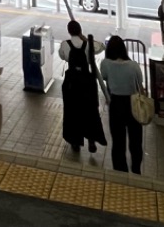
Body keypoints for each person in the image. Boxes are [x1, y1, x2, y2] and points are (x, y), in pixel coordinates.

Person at [58, 20, 106, 154]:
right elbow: (101, 47)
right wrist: (85, 38)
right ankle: (91, 139)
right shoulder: (87, 44)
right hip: (87, 82)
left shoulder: (64, 44)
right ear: (80, 30)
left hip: (72, 83)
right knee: (90, 111)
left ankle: (75, 142)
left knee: (72, 111)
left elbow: (62, 56)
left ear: (68, 31)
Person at [100, 35, 144, 174]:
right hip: (133, 103)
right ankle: (136, 168)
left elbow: (104, 77)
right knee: (136, 140)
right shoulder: (133, 65)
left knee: (118, 142)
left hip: (116, 104)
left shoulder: (105, 64)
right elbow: (140, 82)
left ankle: (120, 170)